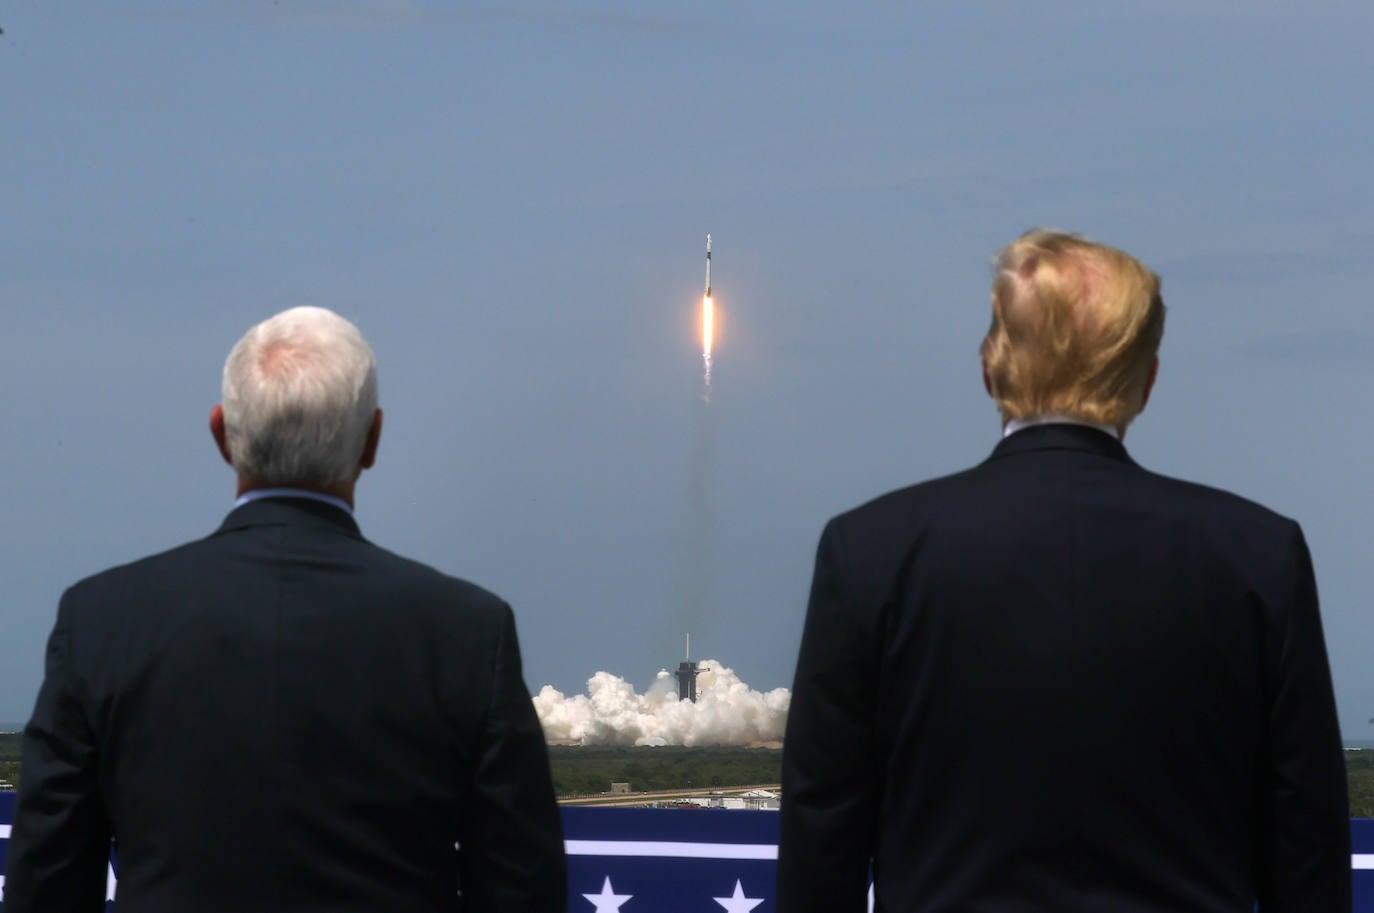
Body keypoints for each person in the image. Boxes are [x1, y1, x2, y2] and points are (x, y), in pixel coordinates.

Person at [778, 230, 1350, 913]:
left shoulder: (870, 551)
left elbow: (824, 835)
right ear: (1146, 381)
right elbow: (1306, 843)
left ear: (990, 367)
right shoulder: (1258, 555)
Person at [4, 306, 565, 912]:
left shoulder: (102, 620)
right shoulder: (466, 631)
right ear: (371, 440)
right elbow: (521, 887)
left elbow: (47, 883)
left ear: (222, 434)